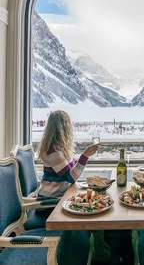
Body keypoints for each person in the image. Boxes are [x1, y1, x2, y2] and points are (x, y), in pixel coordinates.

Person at [37, 110, 99, 265]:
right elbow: (71, 177)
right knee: (90, 213)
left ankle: (90, 253)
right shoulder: (53, 151)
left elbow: (69, 172)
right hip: (51, 202)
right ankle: (79, 256)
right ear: (63, 127)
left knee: (93, 204)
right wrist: (85, 156)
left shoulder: (59, 148)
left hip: (60, 196)